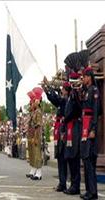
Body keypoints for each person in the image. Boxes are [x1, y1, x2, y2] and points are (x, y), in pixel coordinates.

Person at [42, 76, 70, 192]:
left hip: (64, 130)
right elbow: (54, 99)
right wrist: (48, 90)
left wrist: (49, 88)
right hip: (60, 130)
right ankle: (62, 183)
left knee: (64, 158)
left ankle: (64, 182)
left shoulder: (66, 100)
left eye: (63, 89)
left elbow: (56, 99)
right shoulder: (63, 100)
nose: (62, 91)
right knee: (60, 158)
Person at [80, 67, 100, 200]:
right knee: (86, 160)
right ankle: (88, 190)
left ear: (90, 77)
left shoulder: (94, 90)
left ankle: (93, 192)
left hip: (90, 127)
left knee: (90, 161)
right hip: (84, 127)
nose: (84, 79)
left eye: (85, 76)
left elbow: (96, 110)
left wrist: (93, 129)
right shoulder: (86, 91)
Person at [63, 72, 82, 195]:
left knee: (74, 158)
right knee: (70, 157)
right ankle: (73, 185)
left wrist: (66, 118)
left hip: (75, 128)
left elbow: (75, 111)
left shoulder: (75, 96)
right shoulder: (70, 97)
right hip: (70, 128)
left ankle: (76, 186)